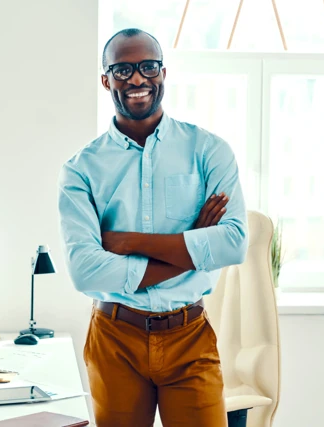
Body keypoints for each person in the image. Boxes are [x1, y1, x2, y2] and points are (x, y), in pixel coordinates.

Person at [58, 28, 248, 427]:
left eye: (148, 67)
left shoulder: (209, 150)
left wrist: (129, 242)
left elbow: (232, 243)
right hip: (114, 338)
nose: (137, 79)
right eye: (123, 70)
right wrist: (194, 243)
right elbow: (86, 271)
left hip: (189, 336)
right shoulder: (81, 168)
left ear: (163, 73)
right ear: (105, 79)